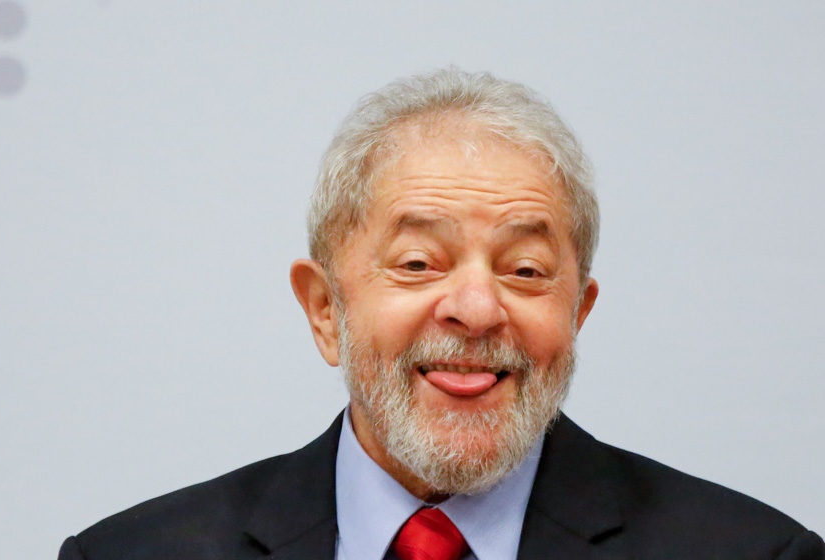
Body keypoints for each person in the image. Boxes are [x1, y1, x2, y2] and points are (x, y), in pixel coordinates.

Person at [59, 68, 824, 560]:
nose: (476, 309)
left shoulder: (754, 553)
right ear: (324, 309)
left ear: (578, 313)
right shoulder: (131, 554)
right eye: (419, 263)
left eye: (525, 271)